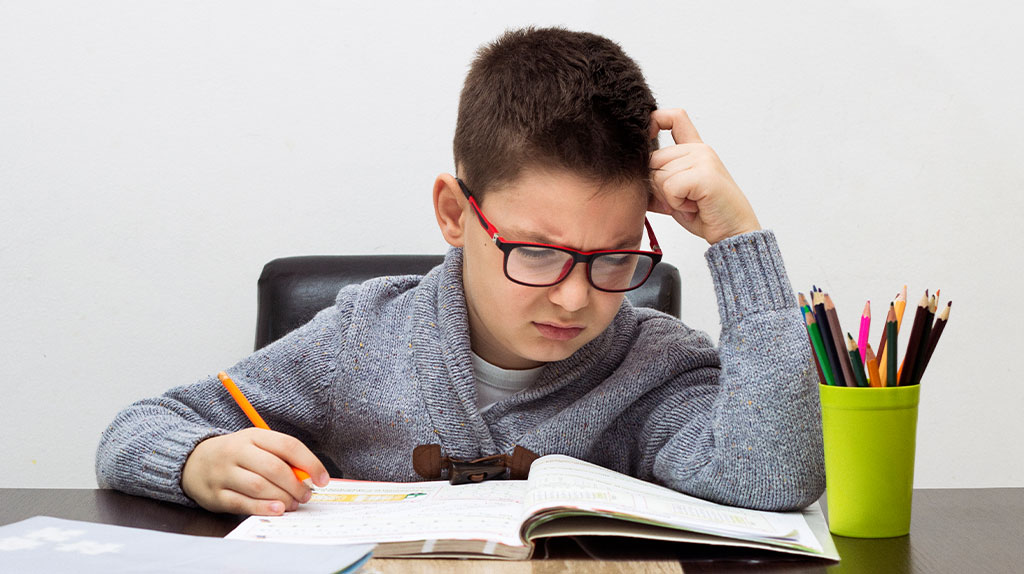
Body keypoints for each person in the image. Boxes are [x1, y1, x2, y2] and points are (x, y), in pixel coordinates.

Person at [96, 27, 825, 517]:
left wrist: (739, 239)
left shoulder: (655, 366)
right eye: (535, 251)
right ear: (455, 215)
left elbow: (773, 479)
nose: (573, 297)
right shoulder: (358, 338)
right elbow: (135, 431)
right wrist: (198, 460)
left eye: (612, 259)